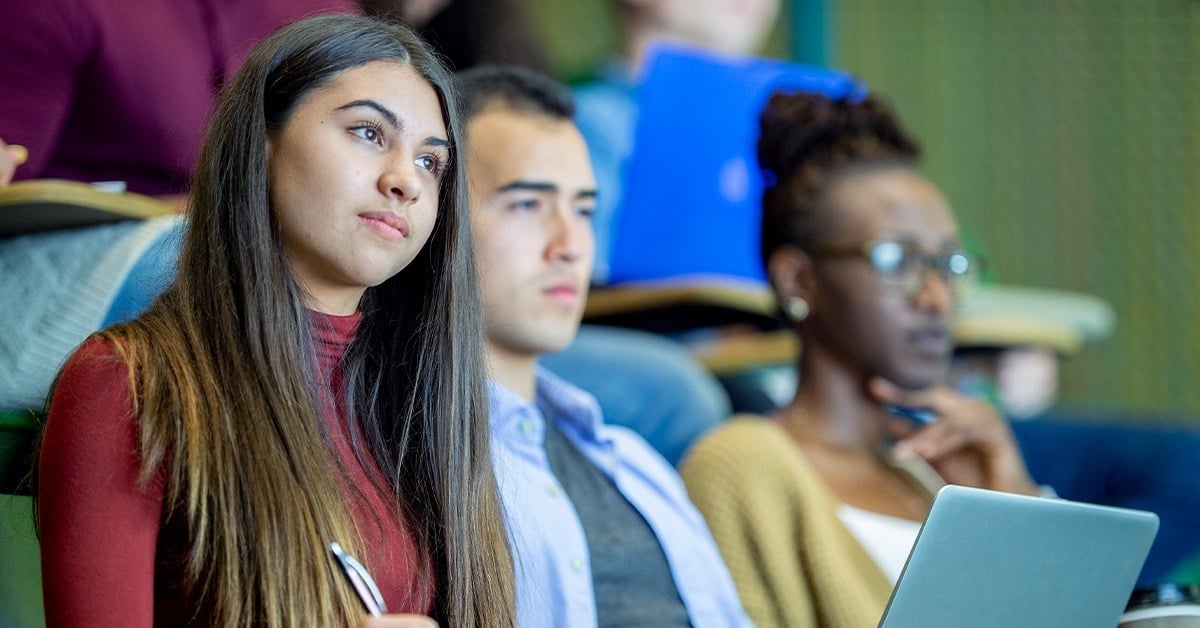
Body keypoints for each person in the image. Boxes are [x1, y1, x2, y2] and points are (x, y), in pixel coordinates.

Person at [35, 15, 514, 628]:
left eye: (431, 164)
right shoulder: (127, 383)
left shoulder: (430, 401)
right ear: (262, 145)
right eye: (368, 133)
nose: (405, 182)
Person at [679, 90, 1040, 628]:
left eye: (949, 262)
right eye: (896, 260)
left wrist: (1013, 504)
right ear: (798, 280)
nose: (937, 298)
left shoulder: (934, 477)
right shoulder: (741, 465)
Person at [455, 64, 751, 627]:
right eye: (528, 204)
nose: (571, 245)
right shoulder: (414, 469)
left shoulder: (635, 464)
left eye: (584, 210)